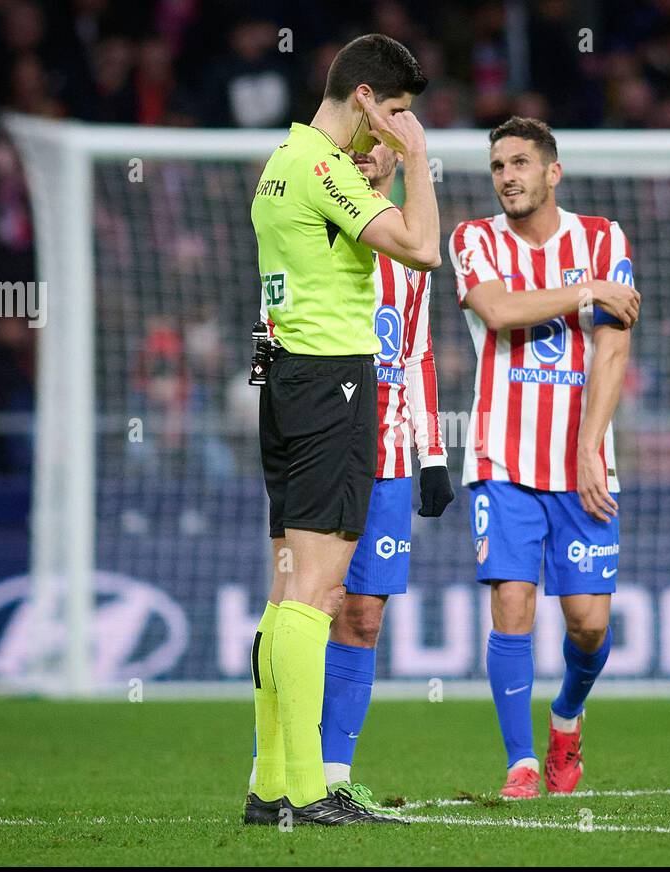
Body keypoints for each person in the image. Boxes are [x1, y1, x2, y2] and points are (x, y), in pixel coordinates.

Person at [245, 33, 440, 826]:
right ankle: (304, 788)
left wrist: (379, 177)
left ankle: (267, 786)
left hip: (284, 381)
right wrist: (418, 162)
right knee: (319, 594)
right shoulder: (325, 169)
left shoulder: (283, 164)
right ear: (365, 97)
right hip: (334, 384)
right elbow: (423, 249)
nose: (396, 126)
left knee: (285, 592)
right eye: (394, 111)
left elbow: (334, 242)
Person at [448, 116, 640, 798]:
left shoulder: (603, 237)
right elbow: (499, 312)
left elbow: (613, 348)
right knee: (513, 604)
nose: (508, 176)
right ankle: (521, 763)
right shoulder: (472, 239)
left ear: (552, 172)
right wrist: (587, 293)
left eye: (521, 163)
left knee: (588, 624)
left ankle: (566, 717)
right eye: (498, 165)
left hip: (582, 462)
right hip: (501, 459)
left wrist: (591, 448)